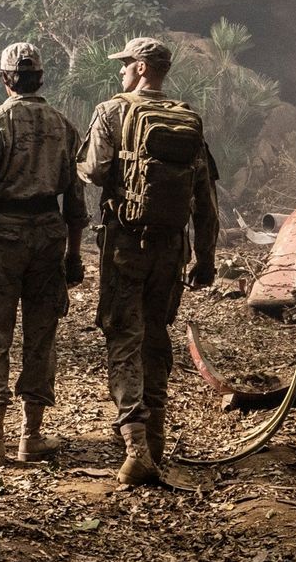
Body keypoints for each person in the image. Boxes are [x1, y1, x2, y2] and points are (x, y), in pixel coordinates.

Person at [78, 36, 218, 486]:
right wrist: (206, 256)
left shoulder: (111, 111)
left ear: (140, 68)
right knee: (156, 336)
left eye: (125, 65)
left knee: (123, 336)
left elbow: (96, 172)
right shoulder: (188, 119)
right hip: (172, 247)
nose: (120, 71)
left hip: (126, 243)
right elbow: (206, 199)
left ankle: (136, 447)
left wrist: (80, 165)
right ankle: (155, 439)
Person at [0, 43, 88, 466]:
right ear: (40, 79)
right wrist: (74, 257)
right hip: (48, 235)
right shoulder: (64, 126)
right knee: (41, 334)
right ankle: (33, 434)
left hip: (3, 236)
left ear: (5, 79)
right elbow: (75, 205)